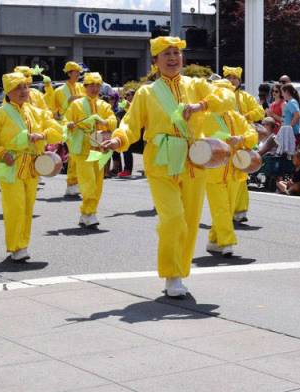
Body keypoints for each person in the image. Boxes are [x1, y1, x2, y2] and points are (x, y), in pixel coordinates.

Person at [102, 36, 228, 298]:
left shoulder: (197, 85)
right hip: (160, 162)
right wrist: (118, 139)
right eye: (166, 54)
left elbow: (226, 97)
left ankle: (180, 272)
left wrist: (201, 105)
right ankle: (171, 274)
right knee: (172, 218)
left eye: (176, 53)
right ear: (155, 61)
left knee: (190, 221)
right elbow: (130, 123)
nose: (173, 58)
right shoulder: (146, 92)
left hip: (194, 160)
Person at [0, 72, 65, 261]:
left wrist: (42, 136)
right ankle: (15, 246)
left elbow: (58, 131)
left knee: (28, 207)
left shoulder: (36, 112)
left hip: (32, 166)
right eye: (17, 87)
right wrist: (2, 154)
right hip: (10, 165)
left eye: (25, 87)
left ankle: (23, 245)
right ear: (7, 92)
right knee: (15, 207)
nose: (23, 91)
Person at [206, 79, 258, 256]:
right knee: (221, 207)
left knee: (227, 209)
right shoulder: (206, 117)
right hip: (213, 171)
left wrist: (241, 139)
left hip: (235, 170)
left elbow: (252, 134)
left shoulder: (237, 117)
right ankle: (227, 242)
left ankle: (214, 240)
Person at [65, 72, 118, 228]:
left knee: (97, 182)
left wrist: (105, 121)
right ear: (85, 87)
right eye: (91, 85)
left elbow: (113, 121)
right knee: (88, 182)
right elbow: (66, 121)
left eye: (97, 85)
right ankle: (89, 213)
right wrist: (69, 125)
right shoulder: (76, 104)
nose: (94, 88)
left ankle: (87, 213)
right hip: (82, 148)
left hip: (100, 148)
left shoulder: (104, 105)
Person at [222, 66, 266, 224]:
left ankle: (240, 211)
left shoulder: (245, 97)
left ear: (239, 80)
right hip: (223, 141)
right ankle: (224, 210)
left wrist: (245, 116)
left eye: (235, 78)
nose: (232, 80)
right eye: (229, 77)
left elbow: (260, 111)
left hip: (242, 140)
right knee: (222, 177)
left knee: (240, 176)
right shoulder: (218, 96)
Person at [45, 61, 86, 197]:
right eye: (76, 71)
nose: (79, 74)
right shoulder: (60, 90)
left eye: (79, 71)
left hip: (82, 124)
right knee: (74, 154)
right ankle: (72, 183)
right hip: (68, 124)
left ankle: (76, 183)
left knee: (80, 155)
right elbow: (54, 109)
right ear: (69, 73)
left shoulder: (82, 87)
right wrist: (67, 102)